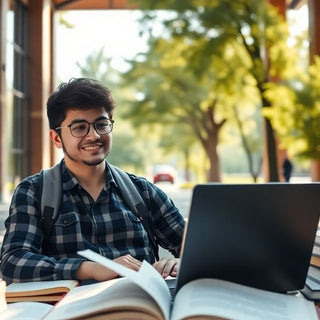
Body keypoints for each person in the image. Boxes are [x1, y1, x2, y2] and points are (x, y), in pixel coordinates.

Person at [0, 78, 185, 284]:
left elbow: (199, 248)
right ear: (56, 138)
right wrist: (88, 269)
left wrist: (182, 262)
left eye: (101, 124)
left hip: (141, 308)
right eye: (79, 128)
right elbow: (12, 262)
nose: (94, 135)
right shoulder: (34, 192)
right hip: (70, 312)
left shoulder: (143, 192)